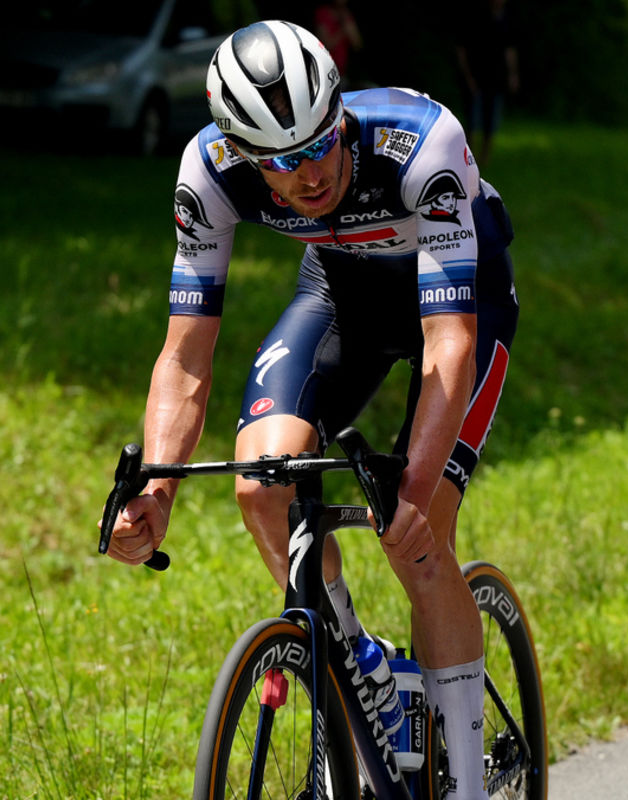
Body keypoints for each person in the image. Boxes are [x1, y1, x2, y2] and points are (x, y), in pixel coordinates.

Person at [104, 21, 517, 800]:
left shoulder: (419, 142)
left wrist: (415, 491)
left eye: (320, 143)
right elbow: (186, 354)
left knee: (416, 539)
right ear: (241, 153)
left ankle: (463, 784)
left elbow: (449, 344)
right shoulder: (209, 171)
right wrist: (157, 487)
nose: (308, 173)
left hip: (465, 302)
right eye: (280, 163)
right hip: (340, 293)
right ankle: (359, 663)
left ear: (338, 112)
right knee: (262, 484)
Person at [452, 0, 519, 164]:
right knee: (471, 119)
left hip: (495, 78)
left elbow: (509, 49)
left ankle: (484, 158)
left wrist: (512, 74)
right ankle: (467, 157)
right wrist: (468, 76)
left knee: (491, 117)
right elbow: (462, 47)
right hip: (475, 76)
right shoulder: (476, 17)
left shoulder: (506, 19)